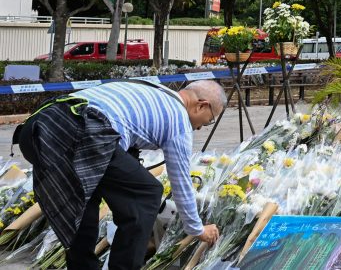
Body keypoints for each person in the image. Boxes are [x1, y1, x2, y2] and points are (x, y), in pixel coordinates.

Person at [15, 80, 224, 269]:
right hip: (82, 130)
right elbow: (181, 182)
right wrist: (197, 229)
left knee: (86, 198)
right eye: (208, 121)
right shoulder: (178, 119)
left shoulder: (152, 89)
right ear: (201, 105)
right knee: (146, 194)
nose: (200, 128)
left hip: (37, 128)